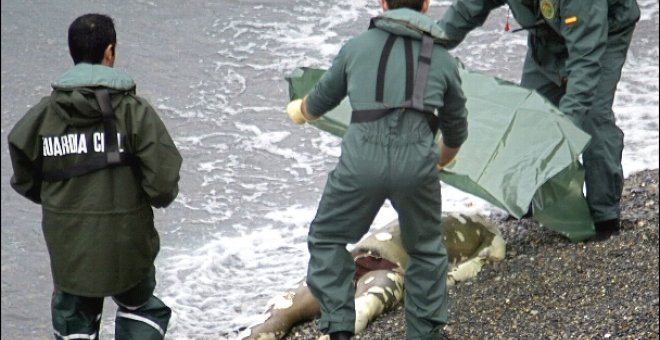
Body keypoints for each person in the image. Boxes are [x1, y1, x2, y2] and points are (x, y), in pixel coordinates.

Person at [285, 0, 468, 338]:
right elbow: (456, 128)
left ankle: (339, 325)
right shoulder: (442, 59)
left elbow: (322, 99)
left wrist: (300, 111)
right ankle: (425, 333)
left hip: (361, 164)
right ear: (426, 5)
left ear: (383, 3)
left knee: (327, 238)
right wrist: (440, 158)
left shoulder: (356, 48)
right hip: (416, 164)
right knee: (425, 248)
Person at [7, 13, 182, 339]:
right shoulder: (134, 111)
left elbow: (23, 173)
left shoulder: (43, 114)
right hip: (127, 240)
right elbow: (163, 185)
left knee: (73, 318)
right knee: (140, 308)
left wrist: (55, 197)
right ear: (110, 52)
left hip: (69, 243)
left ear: (72, 53)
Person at [436, 0, 641, 241]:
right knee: (531, 113)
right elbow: (466, 9)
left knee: (591, 116)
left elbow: (585, 62)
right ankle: (530, 200)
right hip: (547, 37)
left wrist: (567, 126)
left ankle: (604, 214)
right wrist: (425, 45)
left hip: (605, 32)